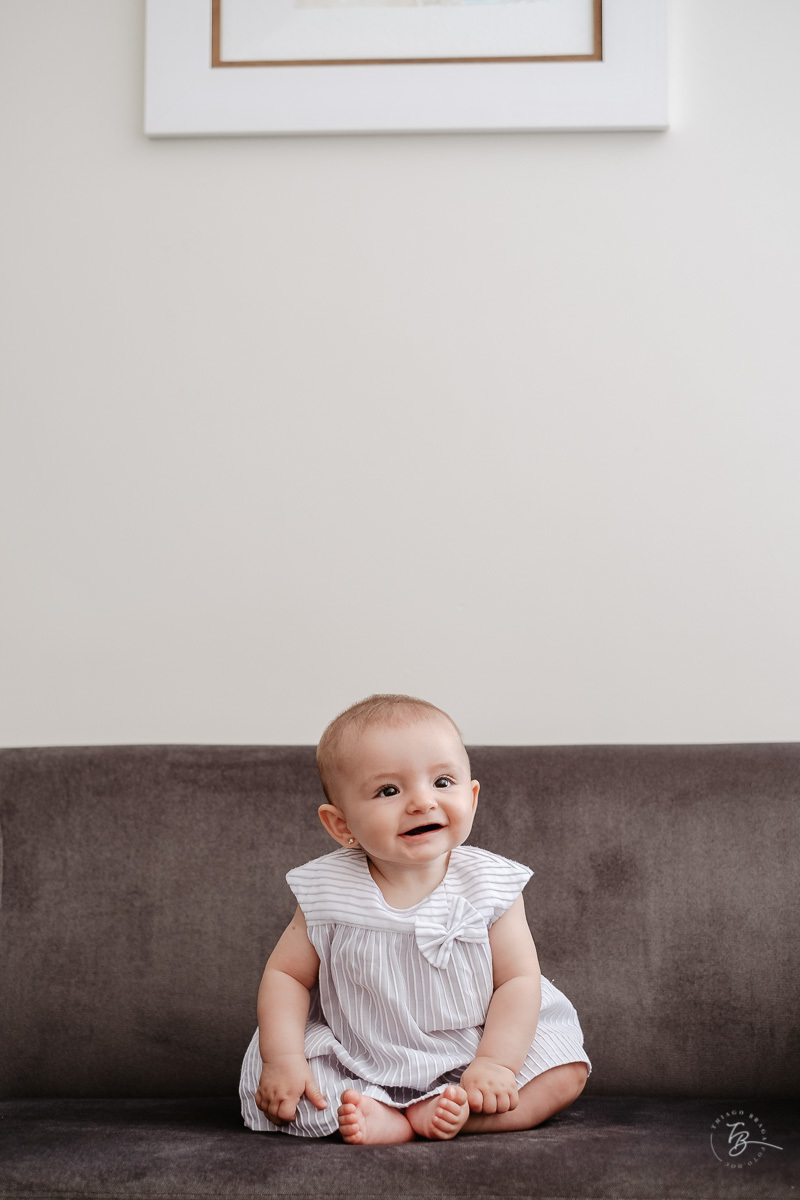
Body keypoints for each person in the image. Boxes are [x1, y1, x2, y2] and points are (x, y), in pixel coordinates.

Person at [239, 694, 591, 1144]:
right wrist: (283, 1058)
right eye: (389, 790)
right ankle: (387, 1116)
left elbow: (518, 980)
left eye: (443, 781)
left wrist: (496, 1064)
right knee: (291, 1095)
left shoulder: (489, 884)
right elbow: (286, 975)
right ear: (341, 825)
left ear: (472, 795)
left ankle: (458, 1115)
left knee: (564, 1074)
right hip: (361, 1053)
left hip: (476, 1046)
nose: (423, 802)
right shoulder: (327, 890)